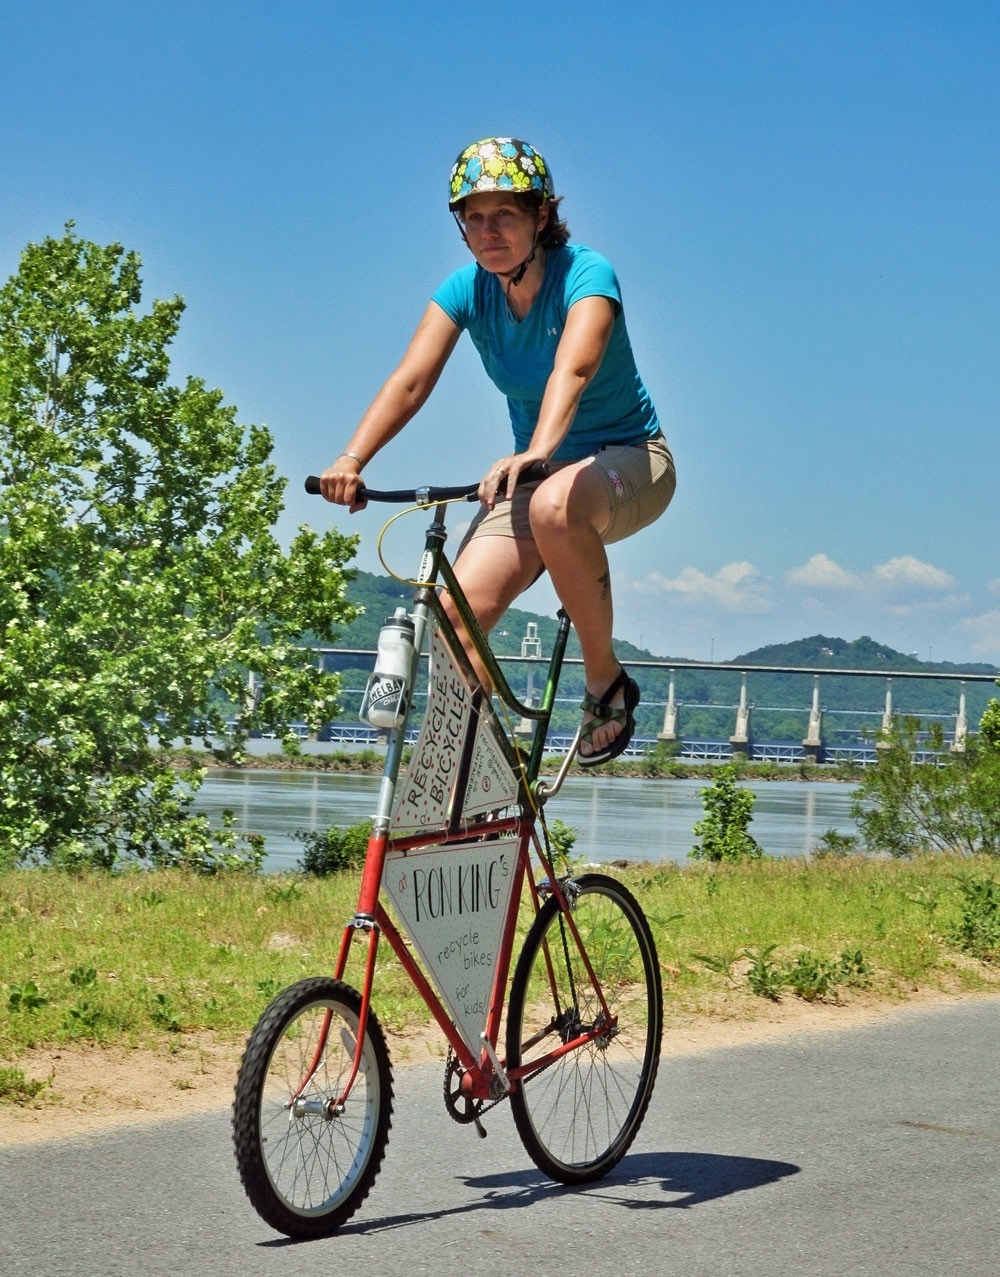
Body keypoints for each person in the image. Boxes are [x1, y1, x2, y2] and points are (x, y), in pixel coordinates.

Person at [320, 137, 675, 765]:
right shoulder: (466, 290)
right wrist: (352, 460)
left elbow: (574, 368)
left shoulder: (586, 274)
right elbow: (410, 381)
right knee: (455, 623)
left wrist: (536, 453)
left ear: (541, 215)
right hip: (540, 476)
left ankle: (604, 682)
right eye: (473, 218)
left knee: (552, 508)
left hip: (631, 459)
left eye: (504, 215)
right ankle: (478, 774)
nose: (488, 232)